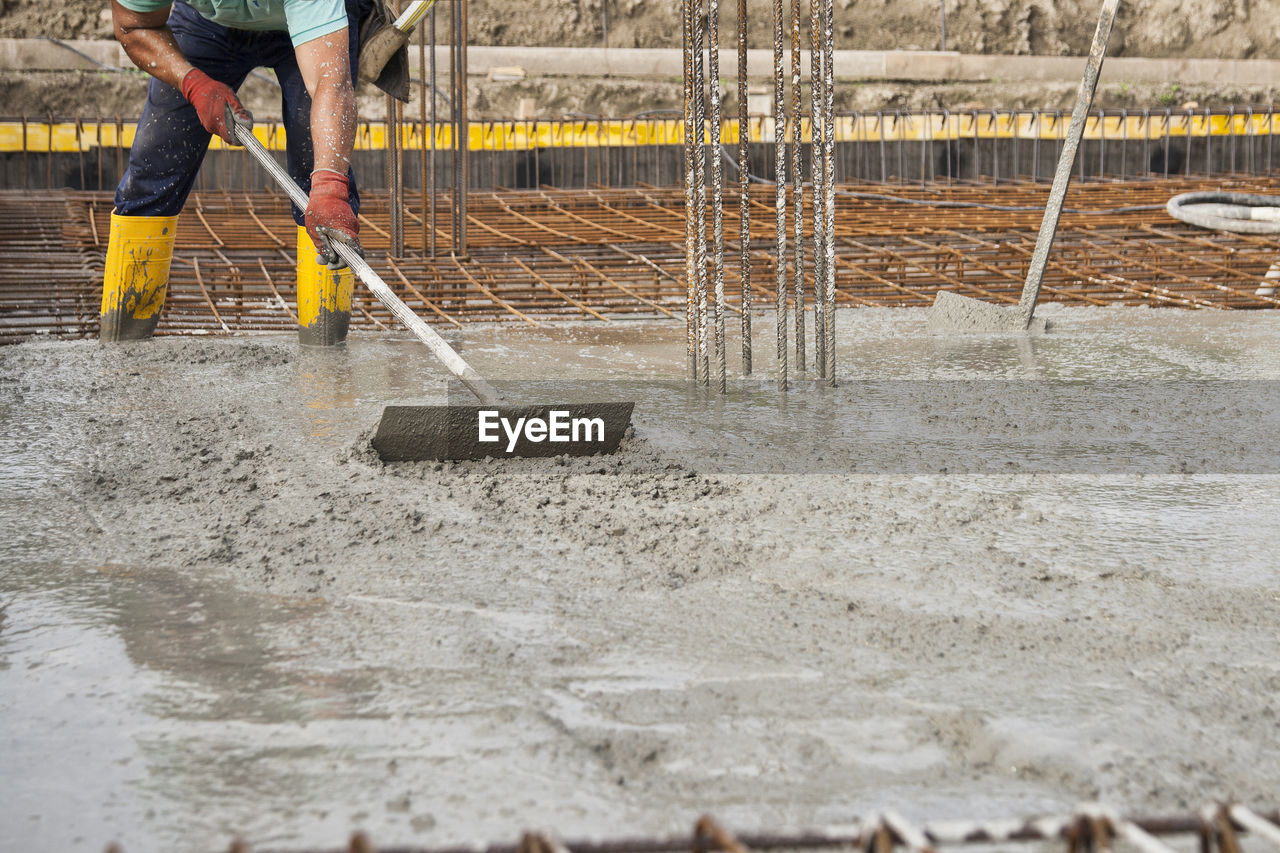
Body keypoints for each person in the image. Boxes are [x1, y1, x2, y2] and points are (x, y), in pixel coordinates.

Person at [100, 0, 372, 346]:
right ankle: (123, 348)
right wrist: (192, 82)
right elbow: (133, 25)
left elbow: (330, 82)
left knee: (320, 176)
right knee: (153, 170)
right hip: (205, 26)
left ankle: (326, 356)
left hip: (307, 22)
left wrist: (332, 187)